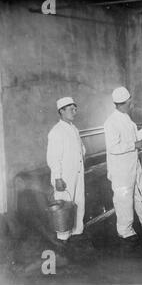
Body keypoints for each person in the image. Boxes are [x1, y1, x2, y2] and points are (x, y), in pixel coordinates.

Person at [104, 86, 142, 243]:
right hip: (121, 169)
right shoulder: (111, 122)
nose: (132, 104)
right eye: (130, 102)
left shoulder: (126, 118)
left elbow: (135, 136)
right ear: (123, 103)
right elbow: (114, 147)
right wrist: (135, 145)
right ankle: (125, 230)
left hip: (133, 164)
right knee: (124, 200)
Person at [47, 97, 86, 241]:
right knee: (64, 206)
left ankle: (76, 233)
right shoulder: (56, 132)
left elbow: (81, 148)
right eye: (71, 109)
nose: (74, 112)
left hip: (77, 173)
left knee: (78, 202)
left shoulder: (73, 128)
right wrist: (58, 177)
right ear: (61, 111)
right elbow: (53, 158)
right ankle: (63, 239)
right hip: (64, 177)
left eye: (75, 109)